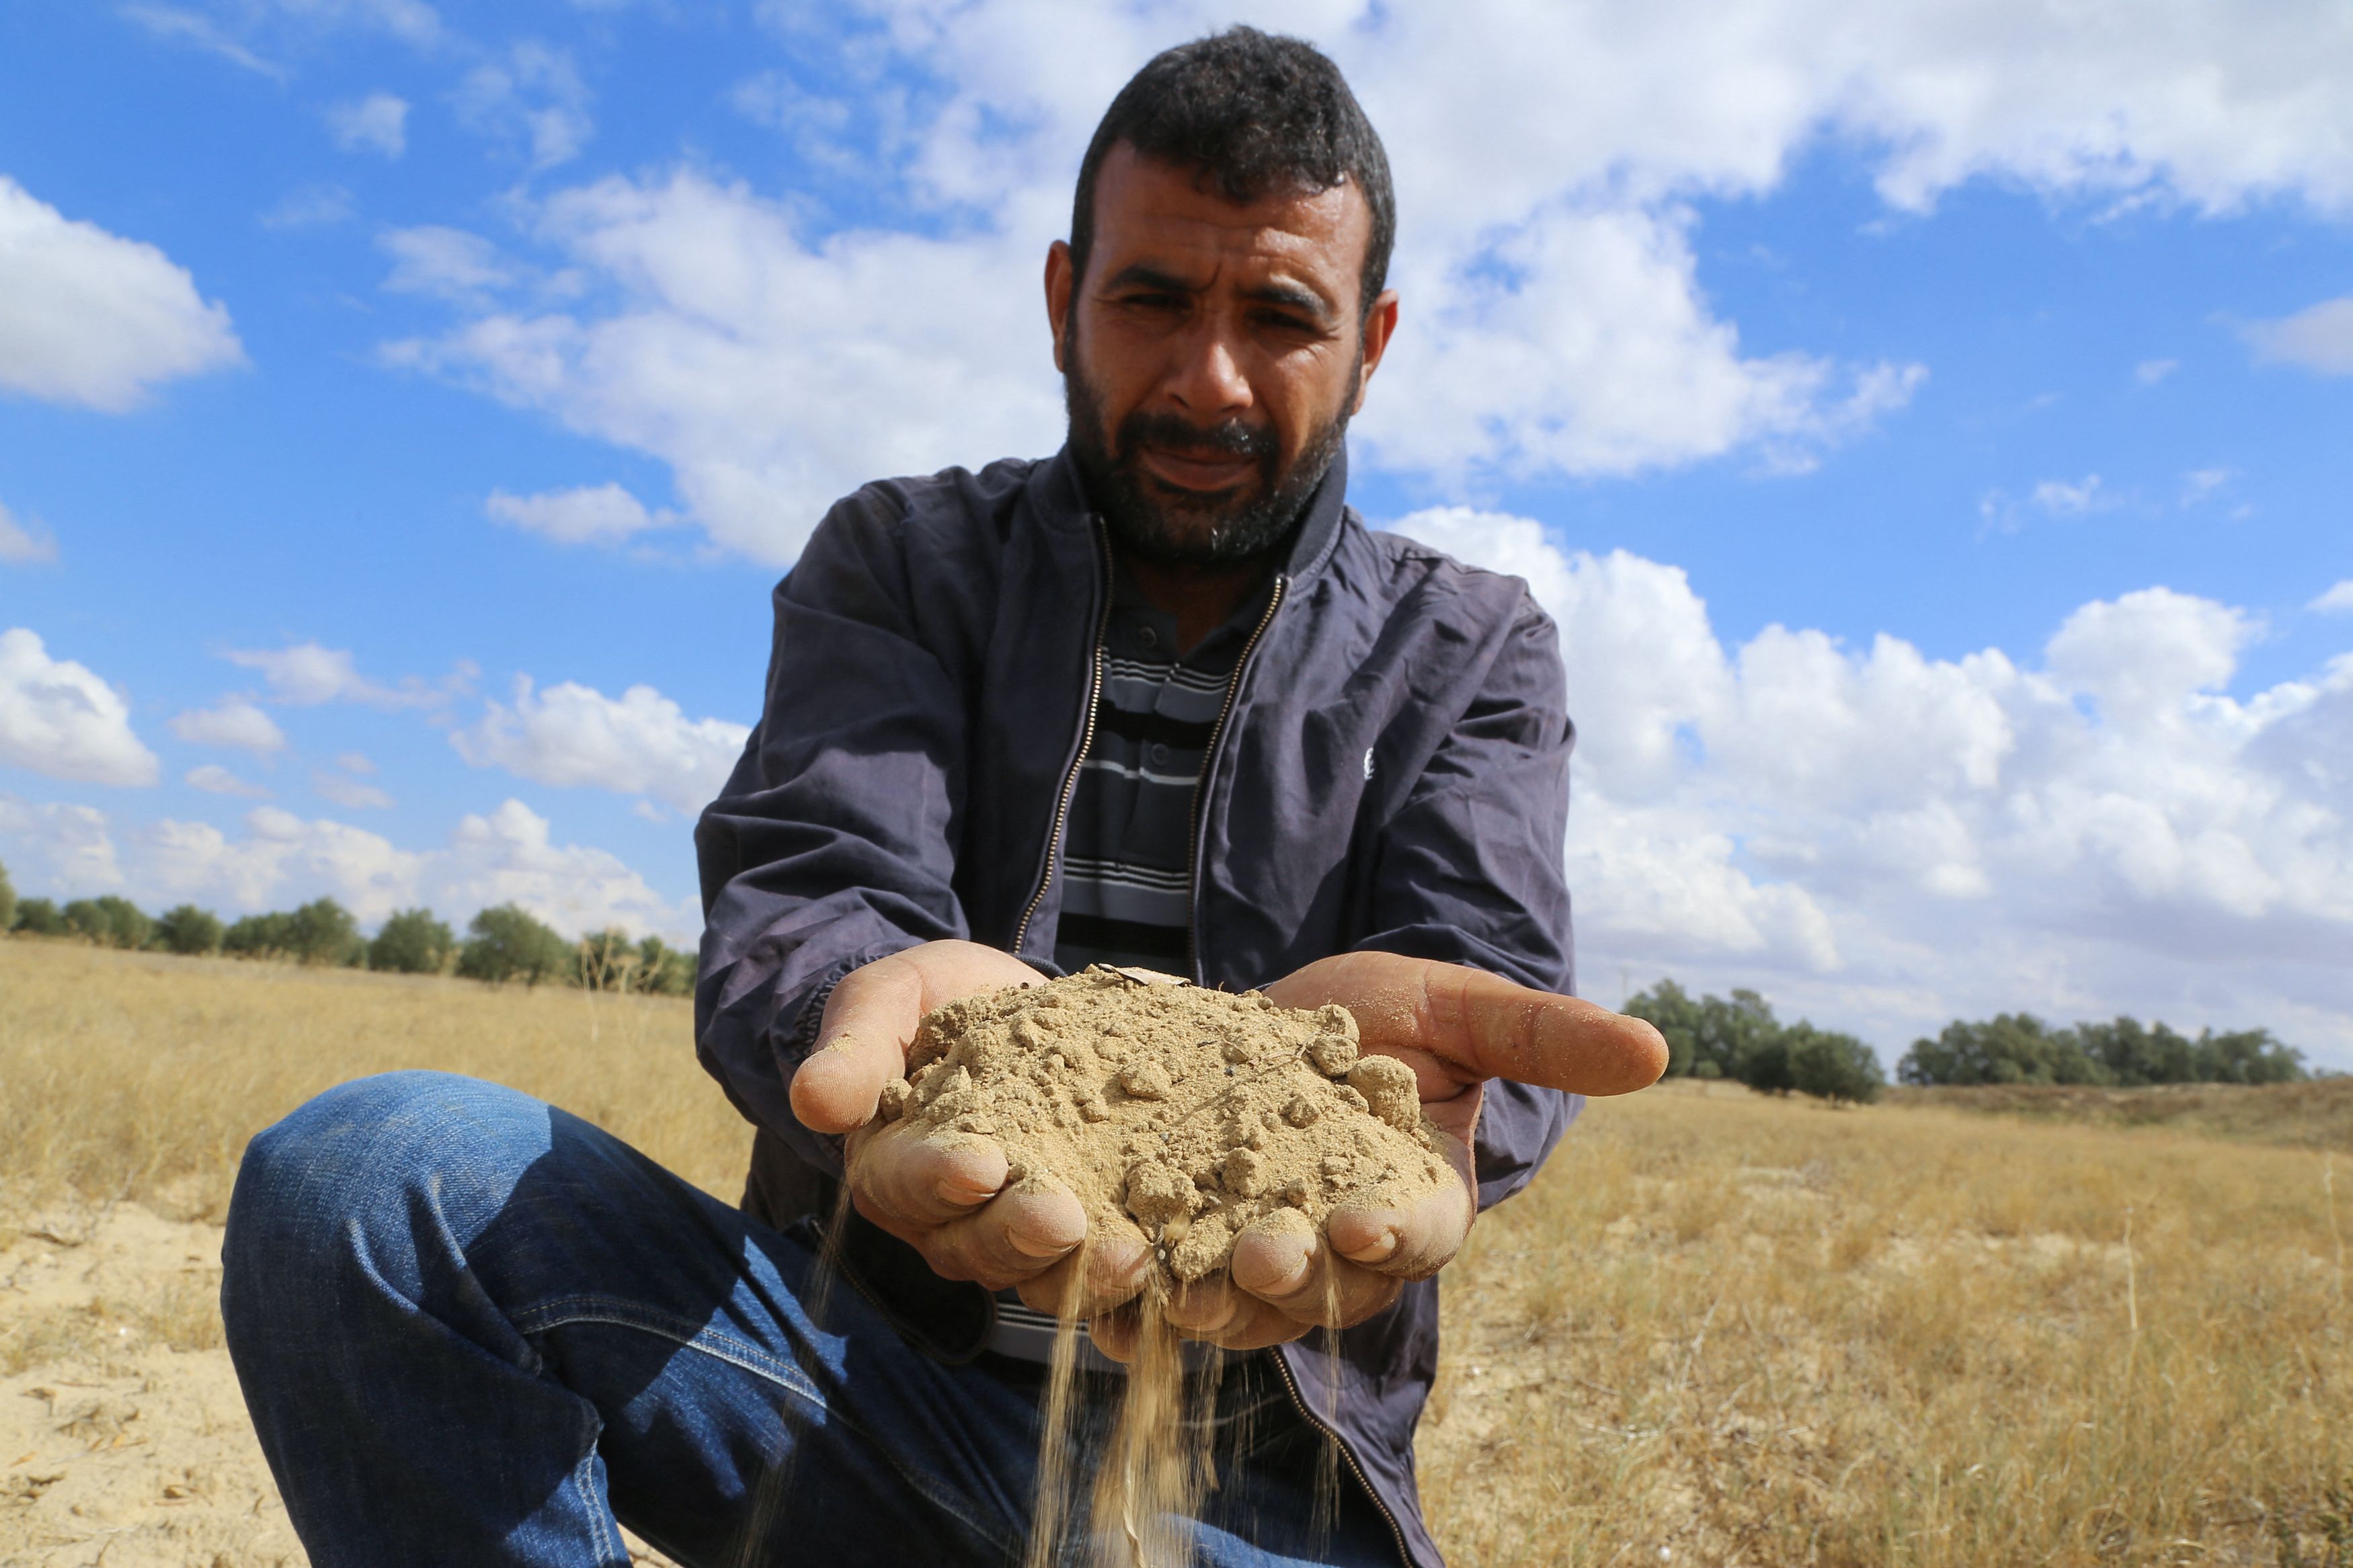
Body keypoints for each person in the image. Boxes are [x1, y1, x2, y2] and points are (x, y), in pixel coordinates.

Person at [220, 26, 1667, 1568]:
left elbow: (1480, 993)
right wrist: (897, 1030)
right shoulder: (904, 562)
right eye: (1153, 300)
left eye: (1281, 318)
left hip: (1246, 1489)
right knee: (367, 1182)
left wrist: (1403, 1120)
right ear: (1062, 302)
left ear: (1371, 343)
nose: (1207, 378)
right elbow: (821, 884)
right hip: (844, 1383)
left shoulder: (1468, 646)